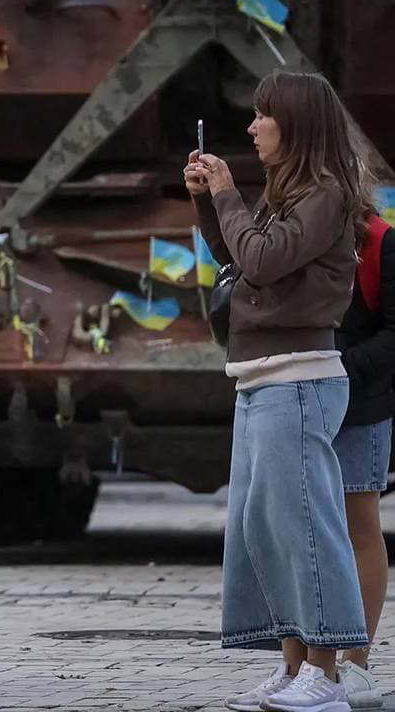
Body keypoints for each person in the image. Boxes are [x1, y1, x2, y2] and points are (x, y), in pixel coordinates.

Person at [187, 71, 369, 712]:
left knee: (306, 529)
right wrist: (212, 204)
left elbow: (264, 262)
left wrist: (231, 194)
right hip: (260, 377)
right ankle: (294, 668)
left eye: (264, 115)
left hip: (298, 380)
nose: (253, 126)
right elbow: (240, 261)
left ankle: (327, 672)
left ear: (294, 124)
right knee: (263, 529)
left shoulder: (323, 194)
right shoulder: (285, 195)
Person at [331, 196, 395, 710]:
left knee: (359, 527)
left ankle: (356, 662)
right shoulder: (289, 228)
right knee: (305, 530)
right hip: (300, 399)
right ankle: (305, 664)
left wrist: (341, 367)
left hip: (362, 407)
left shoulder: (378, 240)